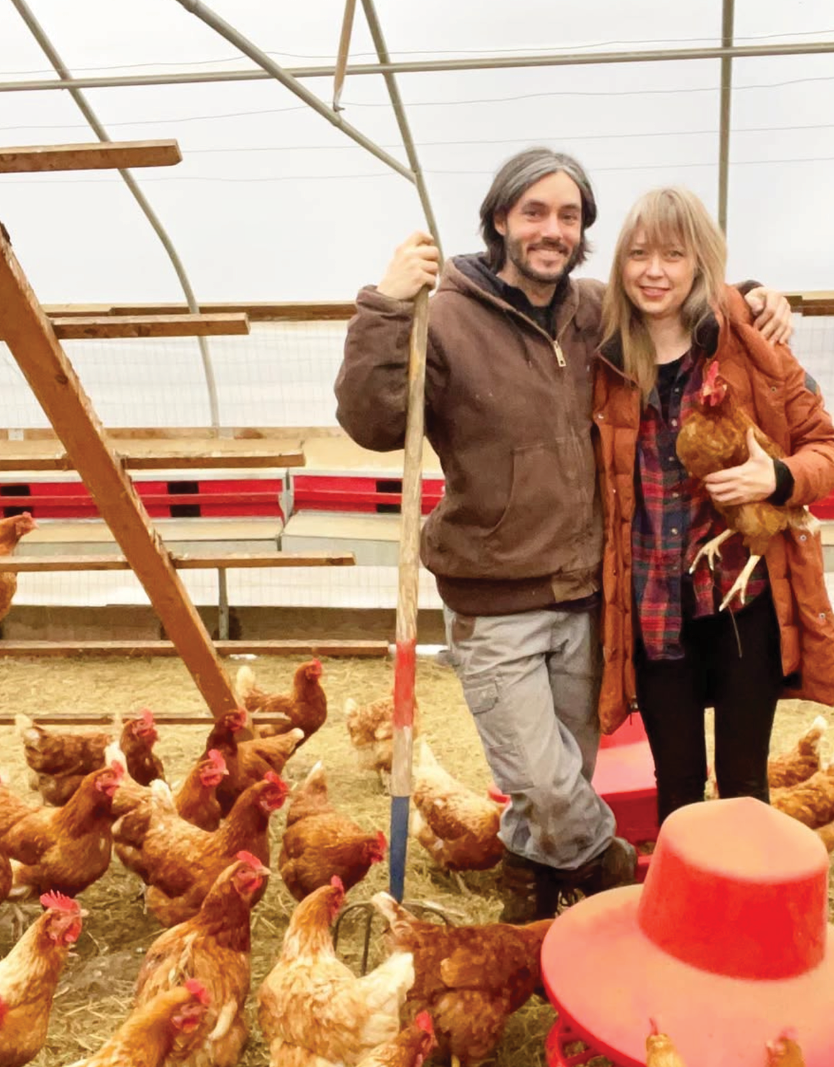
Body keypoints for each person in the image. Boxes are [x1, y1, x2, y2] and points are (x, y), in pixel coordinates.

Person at [333, 148, 792, 922]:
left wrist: (751, 295)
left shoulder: (591, 309)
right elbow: (372, 422)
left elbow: (671, 293)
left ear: (582, 231)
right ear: (500, 218)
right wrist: (384, 304)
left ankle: (532, 879)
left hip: (586, 592)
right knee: (545, 782)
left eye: (569, 215)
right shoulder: (440, 316)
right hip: (493, 592)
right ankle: (607, 865)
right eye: (535, 212)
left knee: (564, 770)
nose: (552, 229)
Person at [592, 185, 834, 829]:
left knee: (742, 782)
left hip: (742, 600)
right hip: (651, 606)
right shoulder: (603, 356)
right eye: (640, 254)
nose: (655, 271)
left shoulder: (755, 346)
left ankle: (743, 911)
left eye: (674, 255)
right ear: (620, 263)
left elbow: (830, 449)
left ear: (701, 261)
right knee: (674, 784)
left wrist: (778, 476)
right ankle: (686, 912)